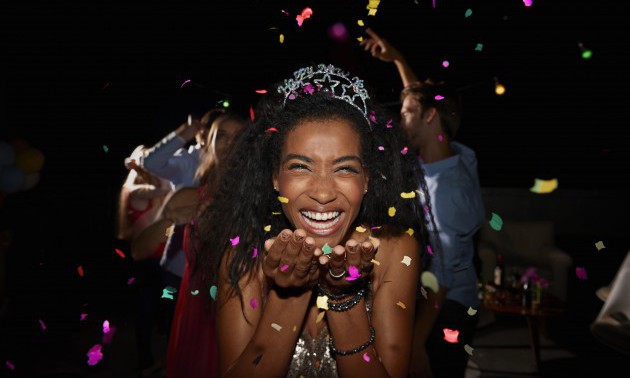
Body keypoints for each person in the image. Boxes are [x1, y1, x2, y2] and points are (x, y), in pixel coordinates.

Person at [192, 63, 437, 377]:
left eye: (345, 168)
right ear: (275, 178)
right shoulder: (244, 257)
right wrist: (289, 293)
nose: (323, 193)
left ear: (367, 179)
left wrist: (344, 298)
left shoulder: (393, 250)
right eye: (300, 167)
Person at [361, 28, 486, 377]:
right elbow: (427, 103)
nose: (401, 120)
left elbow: (443, 276)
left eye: (406, 113)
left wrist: (414, 342)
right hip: (438, 297)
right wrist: (398, 59)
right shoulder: (455, 156)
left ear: (430, 118)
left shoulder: (446, 189)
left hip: (448, 309)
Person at [162, 110, 246, 378]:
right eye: (222, 135)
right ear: (208, 143)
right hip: (196, 305)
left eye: (239, 136)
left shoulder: (259, 198)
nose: (230, 143)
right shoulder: (192, 197)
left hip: (236, 306)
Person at [115, 145, 172, 378]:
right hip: (150, 262)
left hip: (157, 260)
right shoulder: (136, 189)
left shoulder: (140, 186)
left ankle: (157, 360)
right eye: (149, 158)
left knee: (158, 310)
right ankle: (147, 363)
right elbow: (167, 188)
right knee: (149, 312)